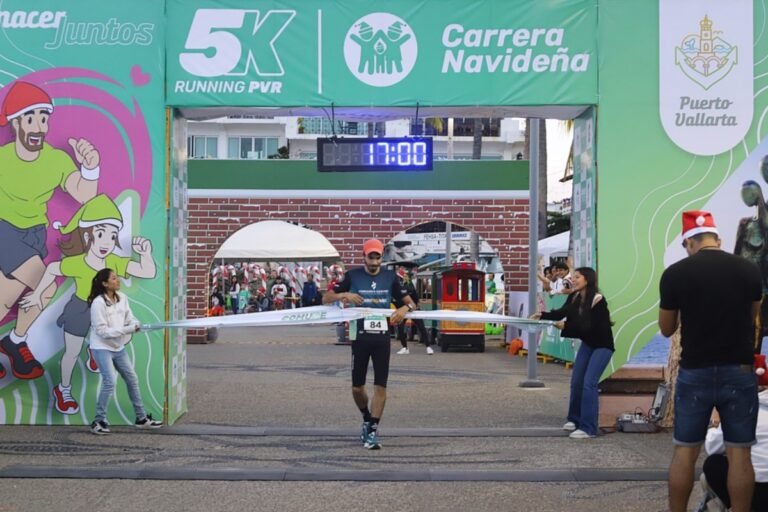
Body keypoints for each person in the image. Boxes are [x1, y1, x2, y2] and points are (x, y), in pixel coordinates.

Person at [659, 210, 761, 512]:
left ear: (688, 243)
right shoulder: (749, 270)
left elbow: (667, 329)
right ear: (718, 239)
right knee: (740, 454)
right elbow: (754, 315)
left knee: (685, 452)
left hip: (695, 372)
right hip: (739, 372)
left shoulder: (676, 274)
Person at [0, 81, 101, 380]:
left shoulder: (55, 160)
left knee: (5, 300)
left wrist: (90, 168)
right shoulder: (3, 158)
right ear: (17, 122)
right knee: (46, 284)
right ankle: (16, 341)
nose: (39, 126)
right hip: (5, 230)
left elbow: (84, 195)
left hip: (35, 234)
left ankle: (12, 341)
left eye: (44, 118)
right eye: (31, 118)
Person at [20, 194, 156, 415]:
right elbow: (53, 269)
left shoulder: (114, 261)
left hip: (106, 311)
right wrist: (37, 295)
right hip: (80, 308)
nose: (106, 242)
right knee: (72, 353)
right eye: (101, 233)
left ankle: (95, 348)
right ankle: (63, 389)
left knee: (117, 337)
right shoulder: (78, 262)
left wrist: (146, 254)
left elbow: (147, 271)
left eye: (112, 236)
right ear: (88, 234)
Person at [323, 239, 415, 450]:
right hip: (360, 337)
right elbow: (326, 298)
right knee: (357, 387)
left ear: (382, 258)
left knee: (381, 385)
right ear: (363, 257)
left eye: (377, 257)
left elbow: (411, 302)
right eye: (370, 257)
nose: (374, 261)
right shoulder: (352, 276)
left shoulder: (391, 277)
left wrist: (404, 309)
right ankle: (366, 417)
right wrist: (344, 294)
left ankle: (373, 428)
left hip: (381, 338)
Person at [532, 267, 614, 440]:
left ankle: (589, 428)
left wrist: (567, 327)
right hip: (588, 344)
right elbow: (562, 313)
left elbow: (591, 328)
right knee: (576, 381)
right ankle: (574, 419)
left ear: (587, 279)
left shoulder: (598, 300)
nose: (573, 280)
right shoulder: (574, 296)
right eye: (573, 277)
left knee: (589, 383)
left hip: (602, 346)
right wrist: (542, 315)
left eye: (577, 277)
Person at [87, 268, 162, 435]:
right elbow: (102, 332)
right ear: (105, 283)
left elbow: (131, 318)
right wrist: (127, 329)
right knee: (109, 382)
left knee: (132, 378)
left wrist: (134, 324)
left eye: (117, 278)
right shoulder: (98, 303)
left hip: (118, 347)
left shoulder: (123, 299)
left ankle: (141, 419)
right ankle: (98, 421)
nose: (118, 280)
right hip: (102, 347)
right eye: (114, 279)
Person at [698, 389, 768, 511]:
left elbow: (713, 447)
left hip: (752, 492)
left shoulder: (740, 408)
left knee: (713, 463)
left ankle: (729, 505)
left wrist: (716, 422)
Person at [395, 268, 434, 355]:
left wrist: (416, 304)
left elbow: (414, 295)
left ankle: (428, 347)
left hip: (413, 309)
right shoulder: (397, 284)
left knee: (421, 327)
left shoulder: (409, 284)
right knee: (400, 328)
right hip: (402, 309)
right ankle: (404, 347)